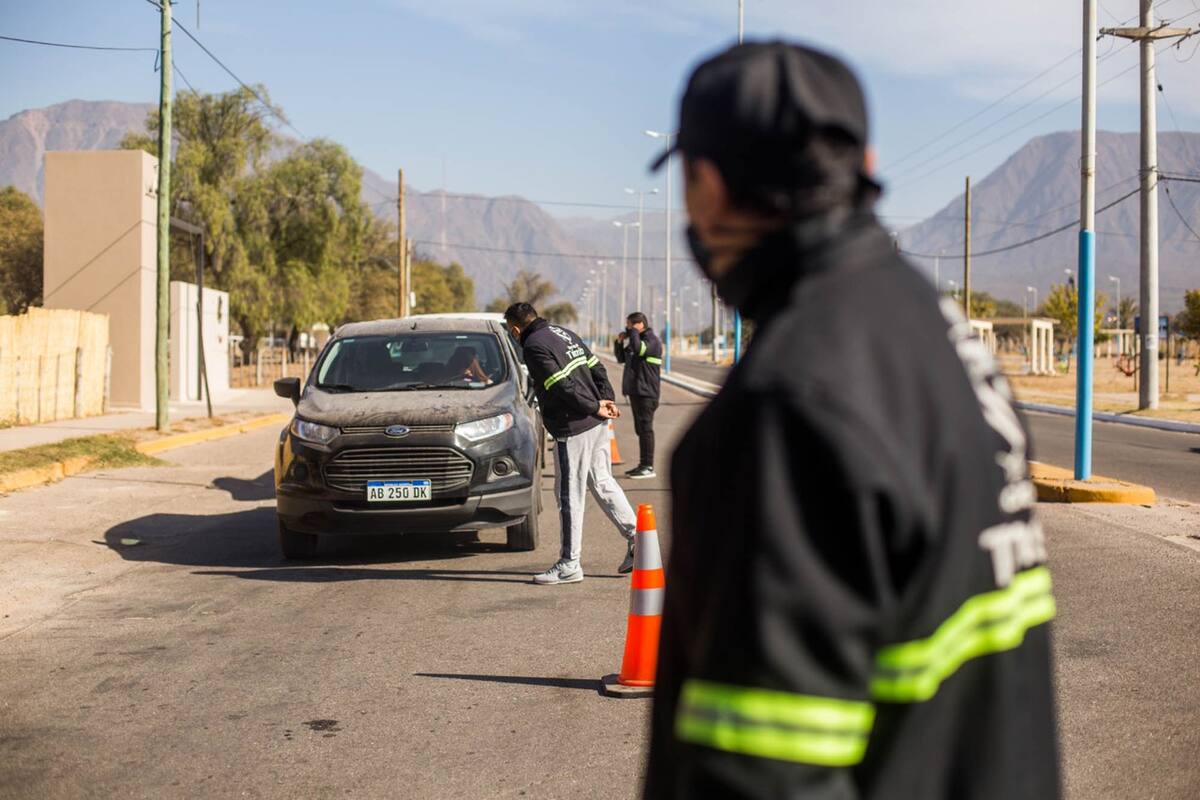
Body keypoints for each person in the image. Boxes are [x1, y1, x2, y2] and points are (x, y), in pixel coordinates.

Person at [643, 42, 1060, 798]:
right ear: (862, 160)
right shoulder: (939, 330)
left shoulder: (786, 404)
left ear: (705, 186)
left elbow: (763, 770)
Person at [503, 302, 638, 584]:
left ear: (516, 329)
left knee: (569, 495)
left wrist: (594, 407)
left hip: (573, 427)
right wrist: (605, 400)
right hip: (596, 423)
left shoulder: (533, 346)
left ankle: (569, 564)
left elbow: (562, 386)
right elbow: (596, 366)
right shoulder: (563, 333)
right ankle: (639, 541)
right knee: (603, 482)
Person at [614, 311, 663, 479]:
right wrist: (619, 343)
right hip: (636, 392)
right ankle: (643, 465)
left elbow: (638, 349)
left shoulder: (652, 341)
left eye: (630, 325)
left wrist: (633, 333)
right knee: (640, 429)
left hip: (647, 393)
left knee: (646, 429)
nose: (627, 329)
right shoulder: (637, 340)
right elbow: (622, 358)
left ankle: (648, 466)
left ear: (640, 324)